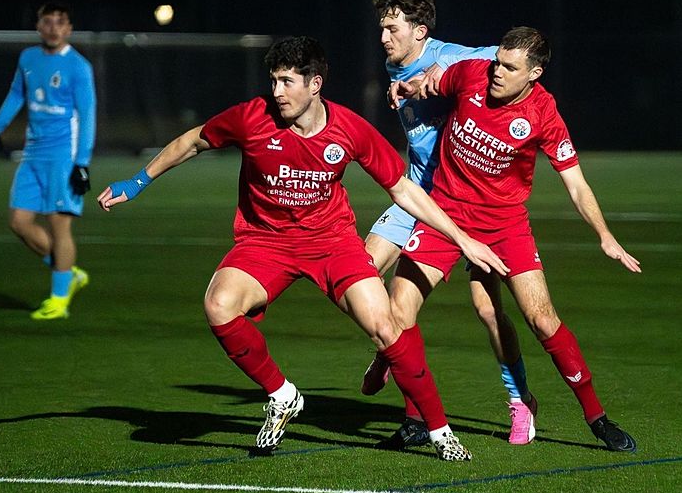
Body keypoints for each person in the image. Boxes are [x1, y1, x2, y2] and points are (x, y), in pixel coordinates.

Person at [96, 36, 509, 461]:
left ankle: (438, 430)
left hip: (332, 243)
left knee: (387, 327)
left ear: (315, 84)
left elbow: (403, 188)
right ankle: (282, 394)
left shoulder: (348, 128)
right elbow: (193, 141)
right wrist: (137, 181)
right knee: (219, 306)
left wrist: (462, 238)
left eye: (287, 82)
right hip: (265, 242)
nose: (277, 92)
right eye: (274, 81)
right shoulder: (251, 118)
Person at [381, 26, 640, 452]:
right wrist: (406, 88)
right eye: (498, 61)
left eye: (510, 67)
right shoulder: (471, 74)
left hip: (505, 225)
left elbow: (575, 183)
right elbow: (429, 84)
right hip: (446, 215)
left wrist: (604, 235)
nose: (497, 71)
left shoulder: (544, 114)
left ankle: (596, 418)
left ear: (534, 73)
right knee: (399, 308)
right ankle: (416, 419)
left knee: (538, 318)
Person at [362, 0, 539, 450]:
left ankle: (520, 400)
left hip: (467, 201)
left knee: (487, 309)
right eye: (382, 26)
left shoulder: (447, 55)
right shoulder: (394, 63)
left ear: (420, 33)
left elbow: (499, 55)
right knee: (362, 272)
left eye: (392, 28)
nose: (383, 36)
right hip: (418, 193)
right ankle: (407, 393)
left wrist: (443, 70)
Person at [0, 2, 96, 320]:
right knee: (19, 222)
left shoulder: (78, 67)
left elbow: (87, 116)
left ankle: (59, 301)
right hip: (33, 154)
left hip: (64, 156)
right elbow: (17, 94)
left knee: (60, 227)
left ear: (69, 29)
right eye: (47, 21)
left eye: (60, 22)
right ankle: (68, 274)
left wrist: (82, 162)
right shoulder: (28, 58)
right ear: (38, 26)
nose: (53, 28)